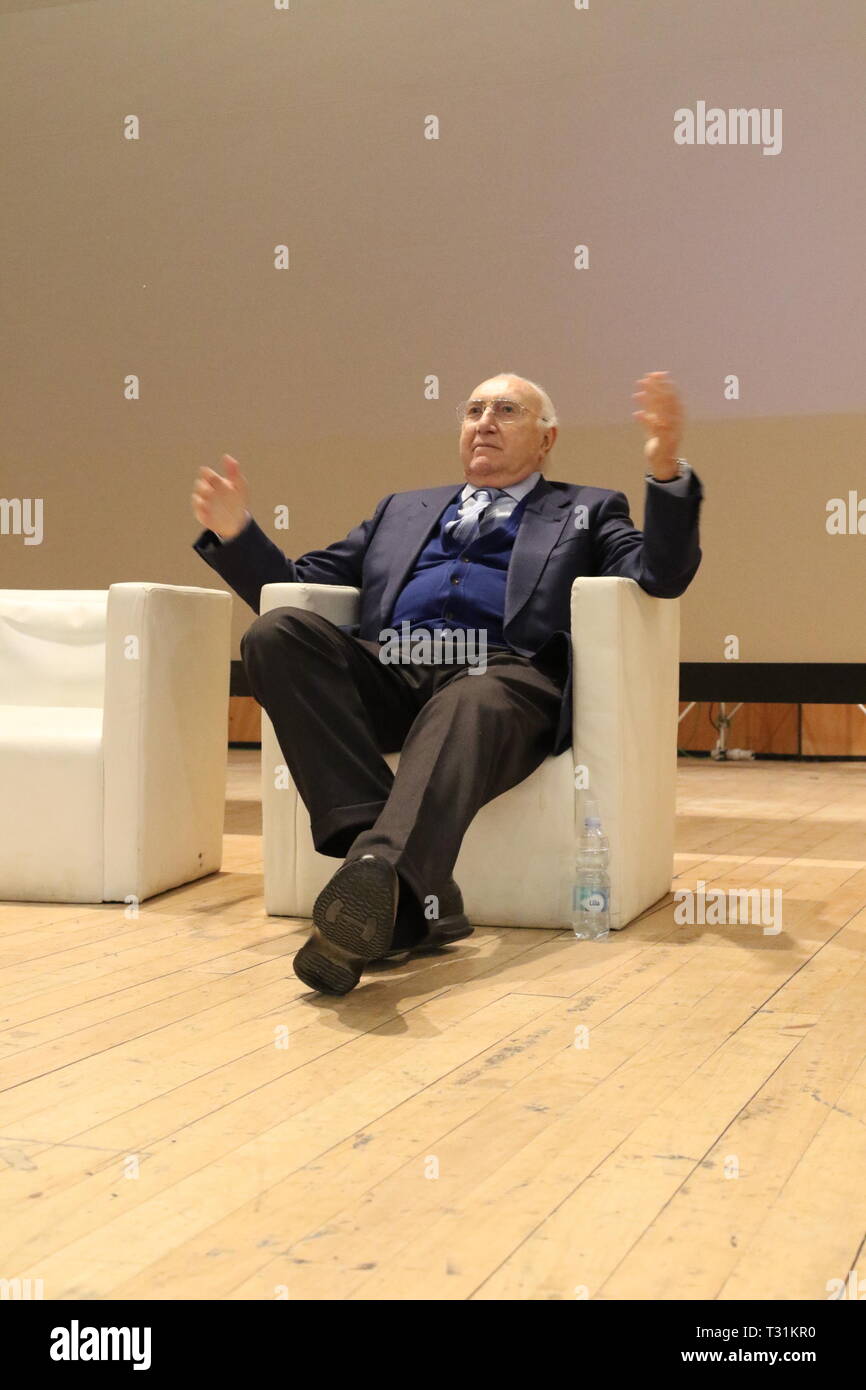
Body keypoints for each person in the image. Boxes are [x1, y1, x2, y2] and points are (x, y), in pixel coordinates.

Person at [191, 371, 702, 995]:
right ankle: (399, 890)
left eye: (506, 410)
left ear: (546, 440)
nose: (483, 422)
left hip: (503, 680)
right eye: (473, 410)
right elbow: (298, 580)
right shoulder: (401, 510)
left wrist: (668, 473)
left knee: (471, 693)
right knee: (276, 634)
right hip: (394, 670)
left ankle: (385, 884)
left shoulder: (588, 509)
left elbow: (661, 575)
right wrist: (236, 532)